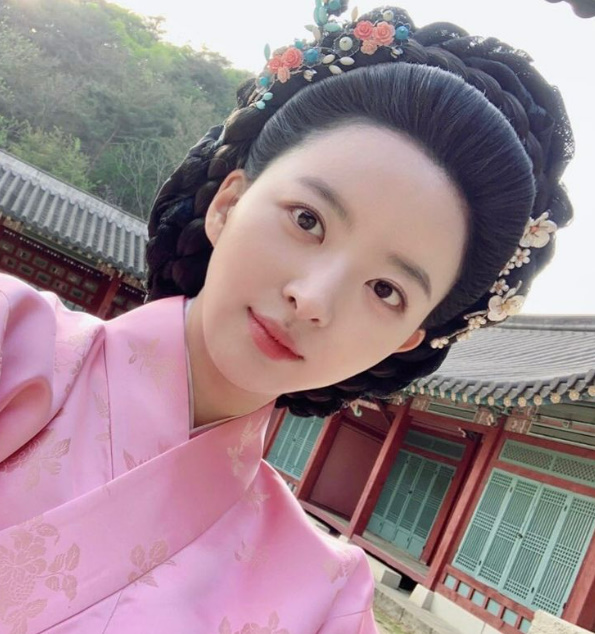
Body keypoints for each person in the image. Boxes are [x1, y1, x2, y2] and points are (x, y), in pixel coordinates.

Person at [0, 3, 573, 633]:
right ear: (229, 203)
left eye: (385, 290)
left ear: (405, 341)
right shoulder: (12, 341)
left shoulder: (328, 601)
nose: (315, 299)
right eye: (307, 220)